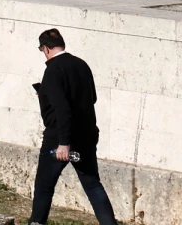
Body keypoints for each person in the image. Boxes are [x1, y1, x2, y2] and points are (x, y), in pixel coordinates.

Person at [29, 28, 117, 225]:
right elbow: (91, 98)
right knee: (93, 185)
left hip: (59, 138)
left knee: (44, 185)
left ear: (45, 49)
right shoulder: (81, 65)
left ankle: (36, 222)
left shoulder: (52, 70)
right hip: (86, 136)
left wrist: (64, 143)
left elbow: (62, 109)